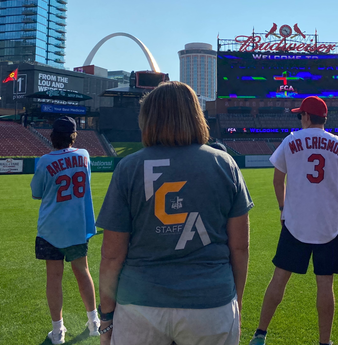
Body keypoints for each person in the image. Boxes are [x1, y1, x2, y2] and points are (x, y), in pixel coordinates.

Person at [96, 81, 253, 345]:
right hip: (210, 302)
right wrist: (232, 302)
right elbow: (240, 248)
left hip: (140, 304)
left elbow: (111, 255)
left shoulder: (129, 167)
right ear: (196, 116)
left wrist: (107, 316)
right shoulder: (223, 163)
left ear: (148, 118)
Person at [249, 96, 338, 345]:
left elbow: (278, 181)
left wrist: (282, 208)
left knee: (279, 278)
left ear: (307, 117)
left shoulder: (290, 141)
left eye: (301, 115)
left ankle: (260, 334)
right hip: (329, 227)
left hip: (295, 224)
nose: (300, 119)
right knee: (325, 284)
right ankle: (324, 342)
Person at [30, 116, 99, 344]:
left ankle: (58, 331)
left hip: (51, 227)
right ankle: (94, 323)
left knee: (54, 277)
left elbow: (36, 193)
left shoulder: (44, 161)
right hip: (77, 225)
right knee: (83, 271)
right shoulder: (84, 155)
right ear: (74, 135)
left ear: (52, 136)